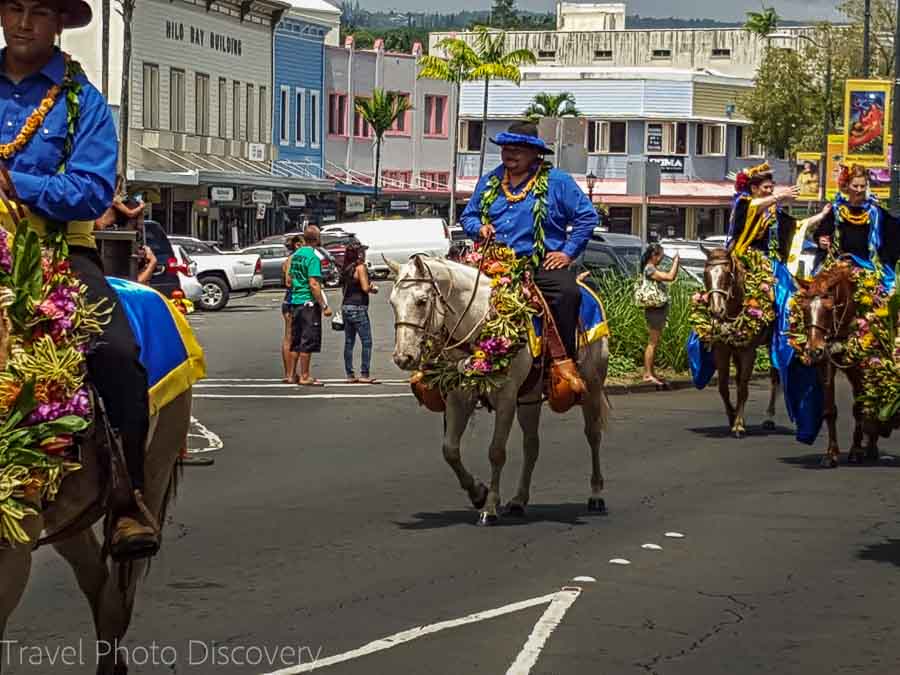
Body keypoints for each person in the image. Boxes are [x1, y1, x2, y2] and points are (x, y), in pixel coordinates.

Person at [0, 0, 158, 558]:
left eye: (39, 11)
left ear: (60, 23)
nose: (23, 22)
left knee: (116, 352)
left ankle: (127, 500)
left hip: (55, 251)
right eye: (13, 7)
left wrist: (13, 181)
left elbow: (91, 191)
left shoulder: (81, 102)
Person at [461, 121, 598, 392]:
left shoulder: (558, 182)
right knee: (448, 290)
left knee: (567, 293)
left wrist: (567, 253)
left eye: (517, 150)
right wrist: (480, 227)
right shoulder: (490, 180)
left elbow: (587, 217)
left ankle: (563, 364)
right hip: (492, 262)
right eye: (505, 149)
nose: (509, 155)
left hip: (539, 265)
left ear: (535, 154)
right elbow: (469, 215)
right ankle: (440, 363)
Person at [813, 164, 900, 283]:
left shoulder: (876, 213)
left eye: (862, 186)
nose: (859, 190)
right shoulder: (836, 210)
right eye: (855, 186)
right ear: (847, 186)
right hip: (839, 265)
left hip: (869, 268)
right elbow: (822, 233)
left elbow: (894, 232)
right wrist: (822, 240)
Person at [287, 226, 332, 386]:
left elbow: (290, 279)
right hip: (308, 303)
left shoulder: (296, 255)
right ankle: (305, 375)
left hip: (296, 301)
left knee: (296, 340)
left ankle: (291, 375)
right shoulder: (313, 258)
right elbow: (314, 284)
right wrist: (324, 305)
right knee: (308, 340)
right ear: (317, 239)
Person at [640, 243, 680, 386]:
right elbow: (670, 277)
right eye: (660, 257)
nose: (662, 259)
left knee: (654, 343)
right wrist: (676, 262)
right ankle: (647, 374)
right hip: (654, 310)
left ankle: (651, 372)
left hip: (657, 309)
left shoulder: (651, 268)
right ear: (653, 256)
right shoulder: (650, 269)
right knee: (652, 343)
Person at [340, 241, 378, 384]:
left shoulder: (346, 268)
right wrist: (372, 288)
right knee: (366, 341)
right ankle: (364, 373)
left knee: (349, 342)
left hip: (346, 306)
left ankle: (349, 374)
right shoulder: (360, 267)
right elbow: (364, 288)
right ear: (359, 254)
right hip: (358, 307)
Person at [281, 235, 302, 382]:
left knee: (292, 337)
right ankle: (290, 374)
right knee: (291, 337)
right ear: (298, 245)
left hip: (290, 300)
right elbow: (288, 281)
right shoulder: (293, 259)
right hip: (292, 300)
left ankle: (291, 373)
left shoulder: (292, 258)